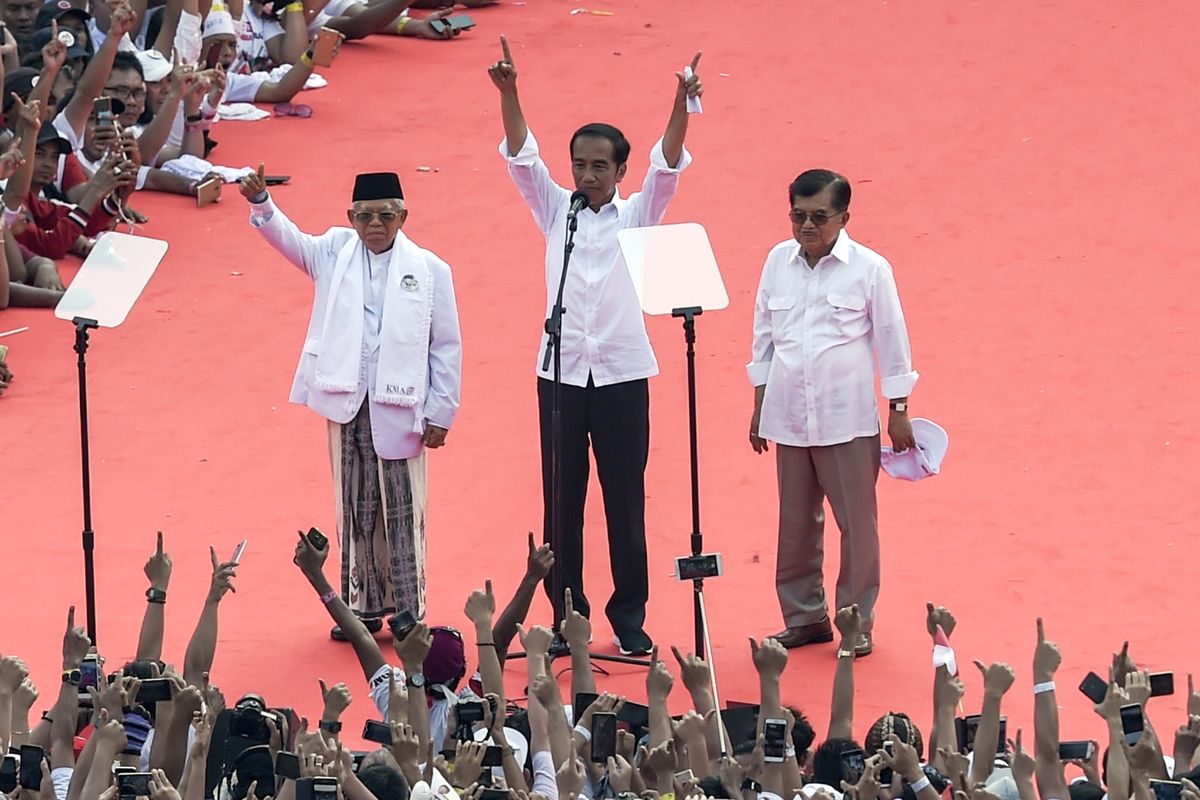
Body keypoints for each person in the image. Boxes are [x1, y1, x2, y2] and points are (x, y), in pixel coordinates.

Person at [487, 35, 703, 657]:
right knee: (562, 503)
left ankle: (629, 615)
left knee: (624, 500)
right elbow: (523, 161)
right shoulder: (558, 211)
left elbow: (667, 165)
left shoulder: (638, 215)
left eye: (599, 166)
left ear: (619, 171)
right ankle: (567, 612)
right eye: (579, 163)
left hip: (620, 376)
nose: (586, 175)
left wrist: (680, 103)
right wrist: (511, 94)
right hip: (556, 375)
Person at [240, 166, 462, 641]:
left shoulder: (429, 270)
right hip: (347, 400)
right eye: (364, 216)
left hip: (401, 406)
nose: (374, 225)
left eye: (384, 215)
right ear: (351, 217)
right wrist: (261, 202)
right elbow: (290, 240)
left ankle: (408, 611)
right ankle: (362, 607)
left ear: (403, 216)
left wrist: (442, 411)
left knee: (400, 510)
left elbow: (445, 345)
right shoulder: (334, 251)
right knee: (355, 506)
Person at [746, 169, 919, 657]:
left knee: (857, 526)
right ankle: (805, 617)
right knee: (795, 523)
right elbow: (764, 336)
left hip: (846, 419)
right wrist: (759, 404)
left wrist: (899, 409)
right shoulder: (777, 263)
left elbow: (893, 340)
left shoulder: (870, 269)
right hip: (790, 417)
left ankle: (856, 622)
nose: (807, 226)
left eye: (819, 217)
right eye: (798, 215)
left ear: (844, 216)